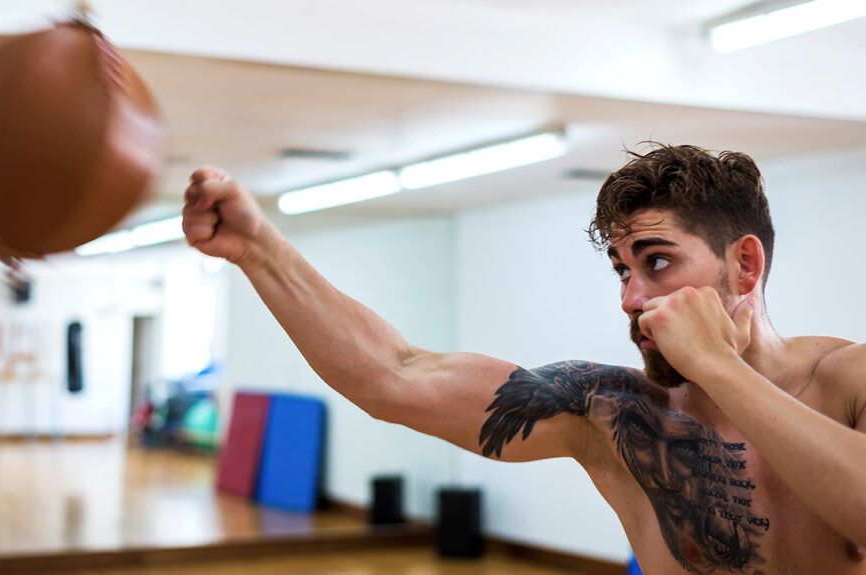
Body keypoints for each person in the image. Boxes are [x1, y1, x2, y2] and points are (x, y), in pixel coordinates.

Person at [181, 144, 866, 574]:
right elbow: (395, 374)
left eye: (657, 262)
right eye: (621, 270)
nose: (632, 297)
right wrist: (259, 251)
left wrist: (720, 366)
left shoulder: (849, 381)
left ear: (744, 264)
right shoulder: (613, 411)